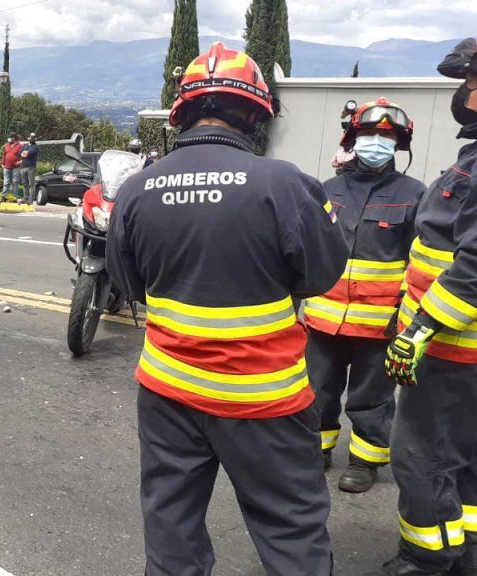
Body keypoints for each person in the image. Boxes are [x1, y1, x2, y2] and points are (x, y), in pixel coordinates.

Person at [105, 42, 348, 575]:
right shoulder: (286, 185)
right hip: (265, 400)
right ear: (255, 113)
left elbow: (127, 284)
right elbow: (324, 273)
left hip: (169, 393)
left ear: (183, 111)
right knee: (290, 532)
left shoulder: (138, 190)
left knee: (171, 530)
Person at [373, 38, 477, 576]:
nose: (465, 95)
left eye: (472, 83)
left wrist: (419, 330)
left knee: (422, 455)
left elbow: (473, 269)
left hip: (451, 351)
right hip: (459, 353)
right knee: (464, 459)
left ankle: (428, 559)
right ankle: (466, 550)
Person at [303, 98, 425, 494]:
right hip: (323, 320)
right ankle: (316, 451)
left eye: (386, 136)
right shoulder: (328, 189)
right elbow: (306, 248)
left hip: (379, 323)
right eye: (370, 134)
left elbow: (420, 262)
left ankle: (364, 462)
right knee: (317, 390)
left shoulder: (414, 195)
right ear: (354, 139)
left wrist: (407, 318)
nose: (376, 141)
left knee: (371, 400)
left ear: (399, 145)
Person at [0, 133, 22, 202]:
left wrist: (20, 162)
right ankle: (3, 196)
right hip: (7, 167)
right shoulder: (6, 145)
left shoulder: (20, 146)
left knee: (15, 182)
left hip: (16, 167)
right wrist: (2, 163)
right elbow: (4, 155)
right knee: (6, 182)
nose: (9, 139)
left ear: (14, 138)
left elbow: (24, 155)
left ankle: (15, 197)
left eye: (10, 138)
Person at [19, 133, 39, 204]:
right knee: (24, 184)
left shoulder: (35, 147)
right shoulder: (25, 145)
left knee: (31, 184)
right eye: (31, 137)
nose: (33, 139)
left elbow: (29, 153)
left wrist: (25, 153)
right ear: (29, 138)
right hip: (23, 167)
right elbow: (19, 153)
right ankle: (25, 199)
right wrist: (24, 153)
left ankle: (30, 200)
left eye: (34, 137)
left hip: (31, 168)